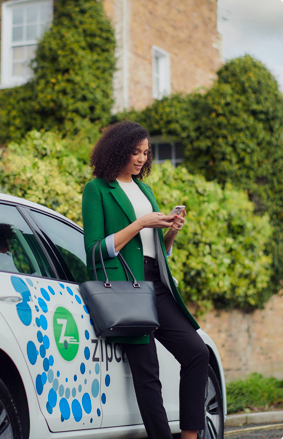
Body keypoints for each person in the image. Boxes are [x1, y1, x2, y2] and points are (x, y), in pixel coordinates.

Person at [82, 121, 209, 439]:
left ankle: (190, 435)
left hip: (157, 284)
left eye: (145, 153)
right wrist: (140, 223)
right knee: (147, 373)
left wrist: (171, 232)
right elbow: (96, 248)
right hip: (127, 288)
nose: (141, 158)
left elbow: (156, 251)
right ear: (117, 151)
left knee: (197, 352)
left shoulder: (145, 190)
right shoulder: (97, 189)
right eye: (135, 152)